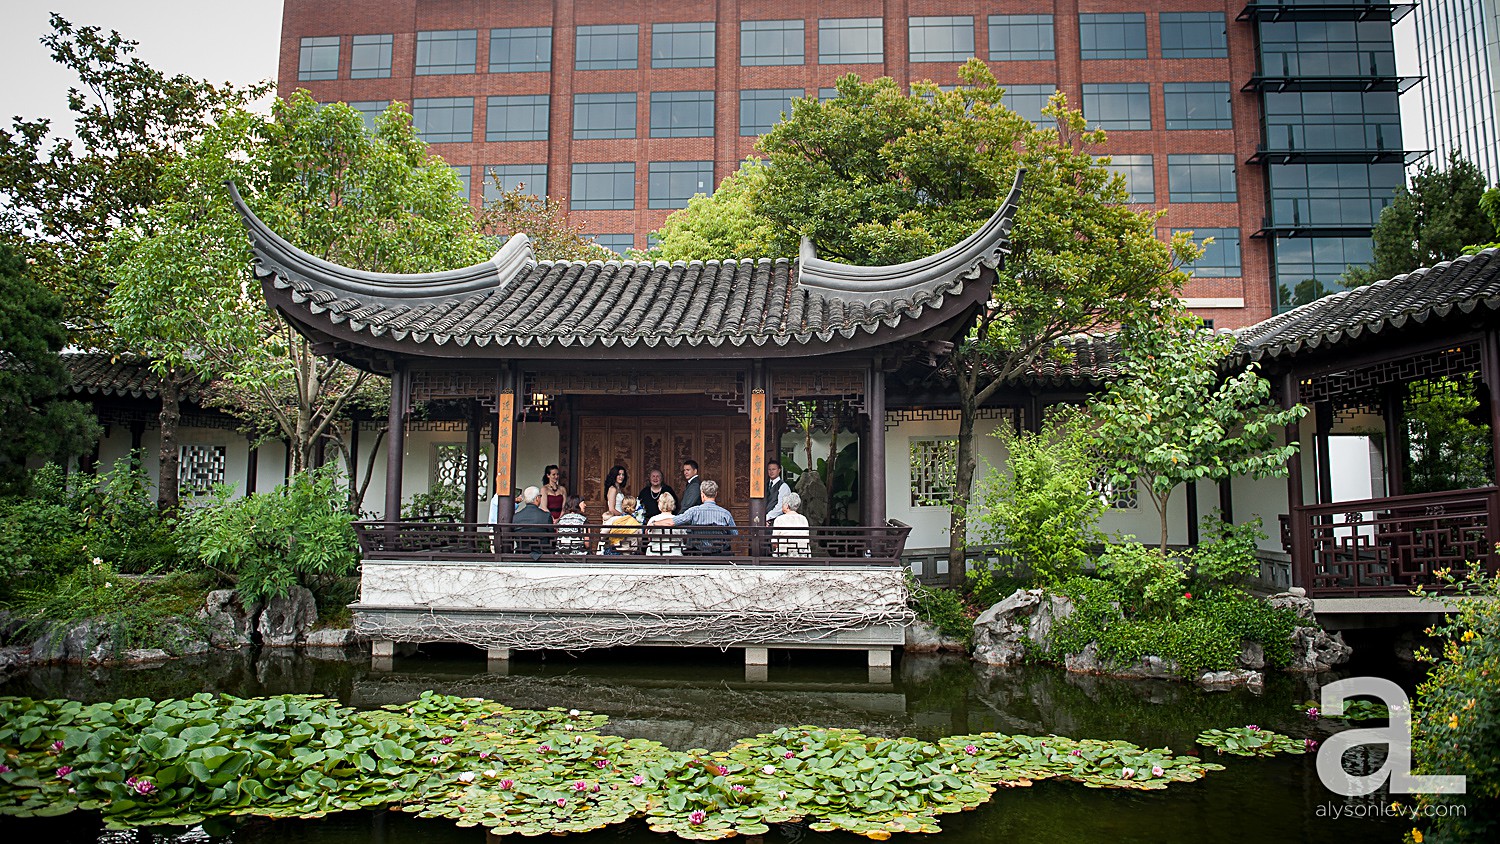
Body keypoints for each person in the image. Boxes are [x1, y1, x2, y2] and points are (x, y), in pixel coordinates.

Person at [672, 480, 737, 555]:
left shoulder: (693, 511)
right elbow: (734, 533)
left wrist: (655, 522)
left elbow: (674, 521)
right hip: (720, 553)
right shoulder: (725, 514)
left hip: (698, 553)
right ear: (716, 494)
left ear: (702, 494)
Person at [511, 486, 555, 556]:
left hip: (522, 554)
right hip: (543, 555)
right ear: (537, 498)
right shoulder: (546, 516)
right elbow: (552, 538)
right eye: (540, 496)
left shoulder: (516, 517)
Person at [772, 492, 811, 557]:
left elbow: (774, 542)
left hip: (784, 554)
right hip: (802, 554)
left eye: (783, 504)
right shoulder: (803, 519)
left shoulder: (779, 519)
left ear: (787, 506)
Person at [763, 459, 793, 525]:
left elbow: (780, 506)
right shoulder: (765, 485)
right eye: (769, 469)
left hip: (777, 521)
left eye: (773, 469)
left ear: (779, 470)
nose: (771, 472)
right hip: (764, 520)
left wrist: (767, 517)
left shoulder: (783, 486)